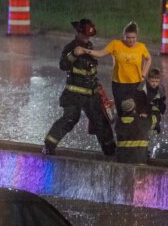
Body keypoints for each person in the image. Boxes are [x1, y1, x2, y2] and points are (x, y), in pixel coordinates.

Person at [43, 18, 116, 156]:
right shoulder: (71, 47)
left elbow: (91, 72)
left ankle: (111, 152)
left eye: (89, 36)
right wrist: (73, 55)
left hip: (92, 95)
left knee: (101, 122)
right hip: (74, 94)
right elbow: (63, 65)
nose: (86, 38)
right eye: (84, 35)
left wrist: (99, 90)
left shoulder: (89, 47)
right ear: (78, 33)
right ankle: (48, 145)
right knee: (71, 117)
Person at [84, 21, 151, 116]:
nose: (131, 40)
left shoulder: (141, 47)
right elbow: (100, 53)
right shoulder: (115, 44)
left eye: (133, 38)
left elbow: (148, 59)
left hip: (135, 84)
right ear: (124, 36)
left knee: (134, 110)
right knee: (121, 111)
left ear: (136, 37)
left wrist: (144, 73)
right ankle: (121, 129)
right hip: (119, 84)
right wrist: (85, 51)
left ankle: (134, 130)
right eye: (128, 37)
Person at [114, 96, 152, 164]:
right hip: (139, 159)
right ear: (134, 108)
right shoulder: (141, 121)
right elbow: (152, 123)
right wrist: (146, 117)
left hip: (122, 159)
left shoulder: (118, 122)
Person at [142, 67, 167, 134]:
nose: (154, 84)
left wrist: (159, 102)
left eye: (156, 82)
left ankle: (155, 125)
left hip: (156, 108)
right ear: (148, 80)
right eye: (152, 81)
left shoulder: (160, 88)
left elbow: (163, 99)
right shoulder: (144, 88)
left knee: (157, 115)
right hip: (146, 108)